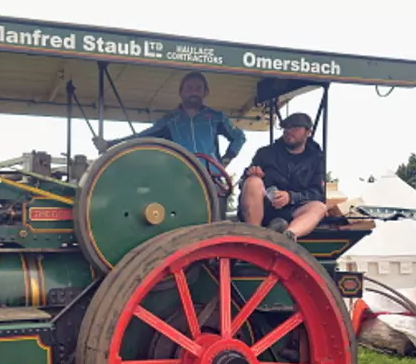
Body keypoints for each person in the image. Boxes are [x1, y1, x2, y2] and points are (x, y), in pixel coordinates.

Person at [92, 71, 246, 167]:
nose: (193, 92)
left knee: (217, 219)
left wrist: (224, 161)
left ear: (205, 92)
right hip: (180, 176)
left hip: (212, 177)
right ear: (181, 92)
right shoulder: (170, 120)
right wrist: (110, 144)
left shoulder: (216, 117)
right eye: (189, 88)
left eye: (198, 88)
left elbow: (239, 137)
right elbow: (141, 137)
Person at [238, 112, 327, 240]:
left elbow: (318, 194)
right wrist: (252, 174)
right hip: (264, 208)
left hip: (293, 211)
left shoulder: (316, 159)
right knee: (252, 182)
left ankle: (287, 236)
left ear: (308, 132)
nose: (289, 131)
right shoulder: (265, 153)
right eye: (286, 127)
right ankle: (256, 236)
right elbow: (242, 184)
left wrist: (290, 197)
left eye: (295, 128)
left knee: (319, 207)